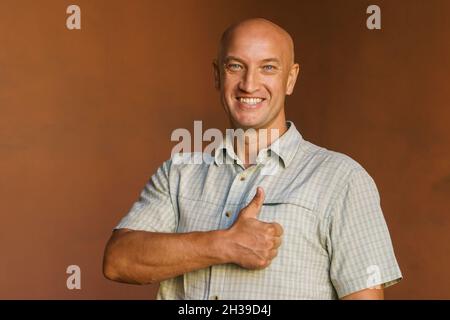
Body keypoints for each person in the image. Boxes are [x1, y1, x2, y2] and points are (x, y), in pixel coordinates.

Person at [103, 18, 402, 300]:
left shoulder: (342, 179)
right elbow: (118, 260)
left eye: (268, 68)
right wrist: (224, 244)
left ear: (291, 78)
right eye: (236, 66)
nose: (249, 84)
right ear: (217, 76)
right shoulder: (178, 174)